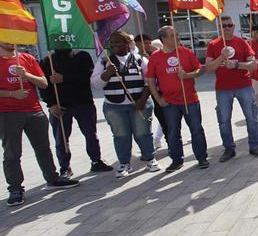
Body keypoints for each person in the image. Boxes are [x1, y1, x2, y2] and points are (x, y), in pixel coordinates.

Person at [1, 42, 78, 206]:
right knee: (12, 153)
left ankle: (52, 177)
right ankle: (15, 188)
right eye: (5, 38)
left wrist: (27, 76)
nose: (10, 41)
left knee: (43, 148)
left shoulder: (27, 58)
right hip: (8, 113)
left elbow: (43, 83)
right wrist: (11, 93)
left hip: (34, 110)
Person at [91, 31, 159, 177]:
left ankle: (150, 159)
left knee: (143, 133)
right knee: (121, 135)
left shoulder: (140, 59)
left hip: (139, 104)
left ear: (128, 44)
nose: (114, 45)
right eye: (112, 43)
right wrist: (107, 74)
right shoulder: (104, 61)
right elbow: (95, 83)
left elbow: (150, 81)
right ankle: (124, 163)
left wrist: (142, 99)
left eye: (118, 42)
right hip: (114, 106)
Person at [38, 48, 114, 178]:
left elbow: (87, 78)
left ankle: (96, 160)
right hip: (60, 106)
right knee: (61, 138)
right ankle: (65, 167)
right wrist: (51, 104)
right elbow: (43, 85)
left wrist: (64, 78)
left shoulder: (82, 56)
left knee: (91, 134)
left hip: (83, 103)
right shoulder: (47, 61)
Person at [145, 26, 209, 171]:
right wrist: (158, 99)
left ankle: (202, 157)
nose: (178, 37)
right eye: (173, 35)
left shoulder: (185, 52)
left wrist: (188, 75)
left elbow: (200, 69)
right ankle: (176, 160)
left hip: (190, 99)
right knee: (173, 132)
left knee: (196, 129)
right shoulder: (155, 57)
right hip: (169, 102)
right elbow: (150, 79)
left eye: (178, 34)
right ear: (164, 39)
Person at [204, 15, 258, 161]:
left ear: (234, 26)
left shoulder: (242, 43)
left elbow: (254, 65)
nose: (227, 28)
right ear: (219, 27)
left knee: (251, 118)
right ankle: (229, 148)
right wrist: (221, 57)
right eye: (223, 26)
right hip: (223, 88)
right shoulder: (213, 45)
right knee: (224, 120)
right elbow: (209, 68)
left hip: (243, 85)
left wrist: (237, 65)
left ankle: (254, 146)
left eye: (229, 25)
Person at [135, 34, 168, 150]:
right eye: (145, 43)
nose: (148, 45)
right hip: (145, 94)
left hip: (161, 92)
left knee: (166, 119)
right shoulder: (135, 58)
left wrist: (149, 61)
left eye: (149, 43)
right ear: (137, 44)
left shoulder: (156, 56)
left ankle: (171, 144)